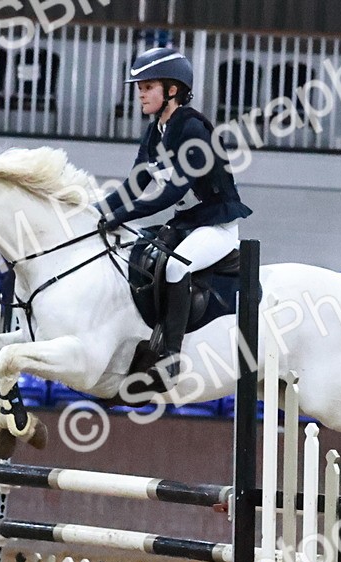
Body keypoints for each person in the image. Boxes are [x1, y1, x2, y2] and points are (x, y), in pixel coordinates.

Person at [98, 47, 252, 385]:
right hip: (187, 224)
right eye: (139, 86)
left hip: (217, 225)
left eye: (148, 86)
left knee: (176, 265)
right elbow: (135, 184)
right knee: (138, 254)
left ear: (172, 90)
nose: (140, 92)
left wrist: (119, 216)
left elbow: (171, 194)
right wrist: (96, 212)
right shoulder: (156, 131)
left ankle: (171, 355)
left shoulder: (193, 130)